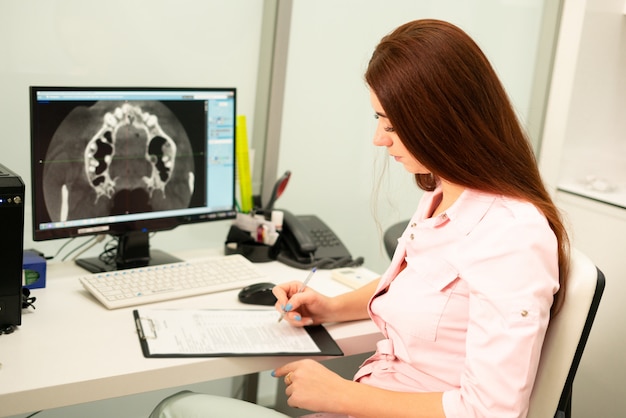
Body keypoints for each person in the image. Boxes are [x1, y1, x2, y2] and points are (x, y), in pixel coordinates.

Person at [150, 18, 569, 418]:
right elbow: (419, 281)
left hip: (367, 403)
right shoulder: (445, 197)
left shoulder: (512, 235)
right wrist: (330, 308)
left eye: (393, 123)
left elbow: (490, 412)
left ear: (443, 120)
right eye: (377, 118)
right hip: (366, 399)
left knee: (176, 409)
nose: (378, 138)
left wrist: (340, 393)